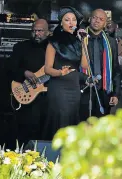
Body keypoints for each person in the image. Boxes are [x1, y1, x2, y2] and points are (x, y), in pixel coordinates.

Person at [43, 6, 89, 140]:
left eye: (74, 20)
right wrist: (59, 72)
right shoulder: (54, 42)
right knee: (61, 120)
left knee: (72, 120)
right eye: (67, 20)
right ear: (61, 23)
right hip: (59, 88)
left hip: (74, 88)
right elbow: (47, 69)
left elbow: (84, 65)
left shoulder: (78, 42)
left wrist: (84, 42)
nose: (71, 23)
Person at [9, 19, 50, 144]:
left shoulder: (52, 49)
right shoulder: (21, 47)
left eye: (40, 31)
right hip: (27, 98)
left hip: (47, 97)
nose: (36, 33)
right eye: (34, 31)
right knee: (26, 130)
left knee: (45, 131)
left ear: (48, 32)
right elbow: (9, 68)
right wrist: (24, 72)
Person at [78, 9, 121, 121]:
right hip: (83, 89)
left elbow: (115, 69)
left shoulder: (111, 42)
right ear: (90, 19)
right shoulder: (79, 38)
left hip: (104, 91)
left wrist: (115, 94)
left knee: (100, 128)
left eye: (101, 19)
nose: (97, 21)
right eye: (95, 18)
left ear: (105, 23)